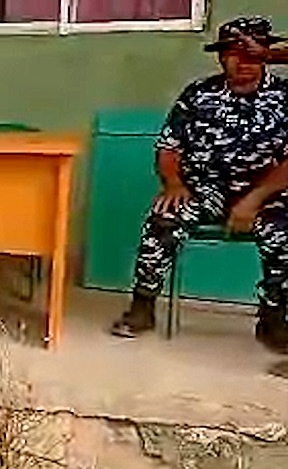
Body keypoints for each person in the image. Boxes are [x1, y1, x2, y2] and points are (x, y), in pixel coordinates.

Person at [111, 17, 288, 350]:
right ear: (221, 57)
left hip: (267, 192)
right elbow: (168, 147)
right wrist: (174, 183)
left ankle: (274, 317)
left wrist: (255, 198)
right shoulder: (199, 94)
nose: (244, 62)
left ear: (266, 55)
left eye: (252, 54)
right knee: (164, 217)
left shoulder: (283, 97)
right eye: (235, 54)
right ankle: (142, 306)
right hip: (205, 189)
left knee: (284, 231)